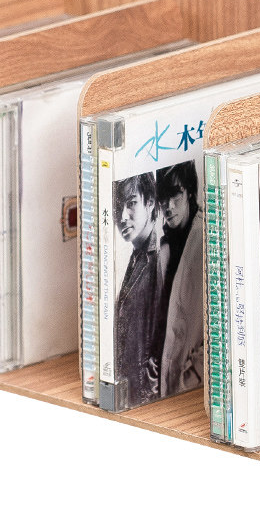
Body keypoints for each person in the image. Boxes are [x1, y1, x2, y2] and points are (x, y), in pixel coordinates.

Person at [154, 161, 204, 396]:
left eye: (175, 194)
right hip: (164, 380)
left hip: (192, 385)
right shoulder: (165, 246)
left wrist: (195, 373)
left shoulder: (206, 237)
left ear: (189, 191)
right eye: (163, 198)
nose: (168, 206)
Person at [113, 172, 163, 407]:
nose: (122, 216)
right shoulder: (137, 256)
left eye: (131, 203)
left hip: (144, 401)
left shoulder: (159, 258)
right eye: (118, 207)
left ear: (150, 202)